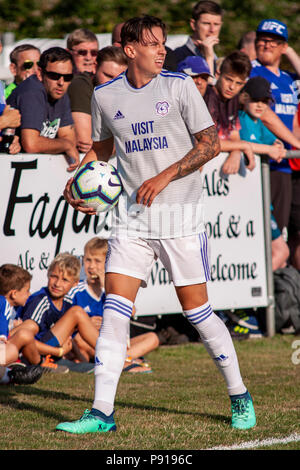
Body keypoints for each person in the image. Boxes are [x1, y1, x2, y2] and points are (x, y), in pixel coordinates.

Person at [56, 15, 256, 434]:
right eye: (152, 43)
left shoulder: (180, 85)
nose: (161, 49)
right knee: (114, 311)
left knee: (198, 313)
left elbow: (210, 144)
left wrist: (164, 175)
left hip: (180, 216)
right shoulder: (106, 95)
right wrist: (78, 185)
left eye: (163, 43)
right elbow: (103, 149)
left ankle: (239, 394)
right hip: (130, 219)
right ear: (130, 50)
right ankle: (102, 412)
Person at [250, 19, 299, 235]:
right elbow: (264, 115)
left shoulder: (288, 78)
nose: (267, 45)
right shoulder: (252, 70)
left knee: (282, 230)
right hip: (263, 159)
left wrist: (291, 53)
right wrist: (295, 143)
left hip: (284, 163)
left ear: (283, 46)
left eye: (274, 41)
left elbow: (294, 121)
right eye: (263, 40)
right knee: (266, 232)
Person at [18, 253, 99, 368]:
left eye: (65, 280)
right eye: (54, 276)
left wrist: (81, 358)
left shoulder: (67, 301)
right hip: (31, 358)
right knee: (77, 312)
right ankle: (112, 356)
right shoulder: (40, 301)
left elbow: (69, 338)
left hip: (52, 355)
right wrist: (59, 352)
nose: (57, 284)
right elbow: (24, 341)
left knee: (86, 362)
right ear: (48, 274)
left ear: (75, 283)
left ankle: (112, 357)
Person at [7, 47, 79, 172]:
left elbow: (69, 138)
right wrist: (65, 145)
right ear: (40, 73)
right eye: (54, 76)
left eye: (67, 77)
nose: (61, 82)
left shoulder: (59, 92)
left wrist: (66, 144)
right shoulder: (32, 91)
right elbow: (32, 144)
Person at [203, 50, 257, 174]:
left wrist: (236, 152)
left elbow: (234, 136)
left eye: (239, 83)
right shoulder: (207, 97)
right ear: (217, 74)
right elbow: (207, 143)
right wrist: (243, 146)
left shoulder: (233, 99)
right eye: (229, 79)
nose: (232, 87)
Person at [0, 264, 43, 385]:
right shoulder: (4, 303)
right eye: (27, 291)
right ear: (14, 293)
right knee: (12, 351)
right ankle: (11, 374)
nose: (29, 294)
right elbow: (1, 333)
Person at [67, 29, 99, 154]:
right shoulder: (79, 83)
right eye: (82, 52)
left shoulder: (92, 82)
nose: (89, 58)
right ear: (69, 53)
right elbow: (86, 142)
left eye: (94, 52)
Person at [174, 1, 223, 76]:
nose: (212, 30)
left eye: (216, 24)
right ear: (193, 25)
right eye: (206, 23)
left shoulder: (217, 59)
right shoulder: (178, 56)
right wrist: (209, 57)